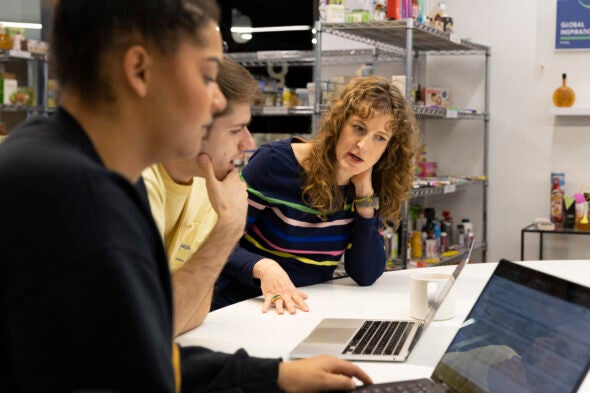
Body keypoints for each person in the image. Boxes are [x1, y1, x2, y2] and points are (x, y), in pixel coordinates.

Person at [0, 1, 372, 392]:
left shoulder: (81, 170)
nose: (216, 102)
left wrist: (275, 376)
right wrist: (228, 228)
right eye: (207, 76)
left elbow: (131, 351)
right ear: (140, 71)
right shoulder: (71, 197)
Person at [213, 75, 421, 314]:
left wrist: (365, 198)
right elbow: (217, 244)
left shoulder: (368, 184)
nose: (363, 146)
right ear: (338, 123)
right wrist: (264, 267)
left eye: (380, 138)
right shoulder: (274, 164)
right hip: (247, 305)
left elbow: (365, 274)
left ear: (389, 149)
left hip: (305, 308)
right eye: (358, 128)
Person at [142, 55, 260, 336]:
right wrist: (229, 228)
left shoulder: (206, 184)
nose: (249, 143)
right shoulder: (133, 182)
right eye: (235, 130)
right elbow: (146, 327)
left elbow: (197, 308)